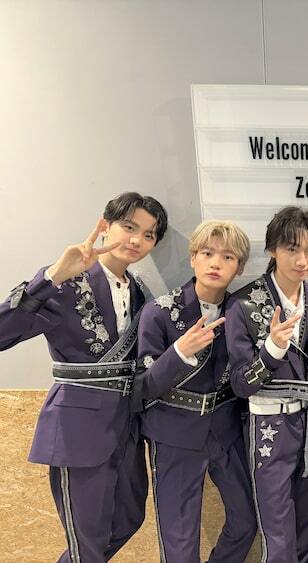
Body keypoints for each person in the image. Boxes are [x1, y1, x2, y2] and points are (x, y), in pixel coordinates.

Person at [0, 192, 168, 562]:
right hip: (77, 427)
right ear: (105, 226)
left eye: (149, 234)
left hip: (126, 429)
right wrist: (53, 276)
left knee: (128, 519)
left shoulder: (141, 292)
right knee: (86, 540)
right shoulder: (65, 282)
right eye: (129, 227)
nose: (137, 240)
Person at [136, 220, 257, 562]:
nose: (216, 263)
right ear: (193, 258)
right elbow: (145, 386)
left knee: (247, 520)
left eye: (228, 257)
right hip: (173, 432)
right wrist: (179, 353)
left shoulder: (242, 313)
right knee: (179, 540)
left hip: (225, 431)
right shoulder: (159, 312)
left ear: (239, 267)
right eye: (207, 253)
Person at [225, 206, 308, 563]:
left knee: (305, 525)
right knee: (277, 532)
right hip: (268, 424)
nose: (303, 260)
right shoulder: (242, 304)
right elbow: (240, 384)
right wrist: (271, 349)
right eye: (292, 249)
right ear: (272, 249)